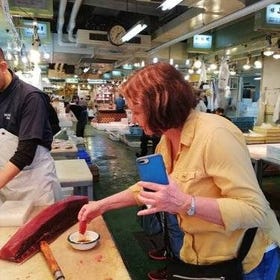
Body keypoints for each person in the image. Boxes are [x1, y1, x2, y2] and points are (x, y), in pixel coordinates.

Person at [78, 62, 280, 280]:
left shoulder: (215, 135)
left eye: (137, 112)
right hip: (201, 257)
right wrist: (101, 205)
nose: (134, 119)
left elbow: (255, 210)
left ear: (160, 107)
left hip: (246, 262)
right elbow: (151, 188)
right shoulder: (166, 140)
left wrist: (185, 204)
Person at [0, 47, 62, 205]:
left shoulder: (30, 97)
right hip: (7, 186)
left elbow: (25, 153)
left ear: (3, 66)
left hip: (36, 187)